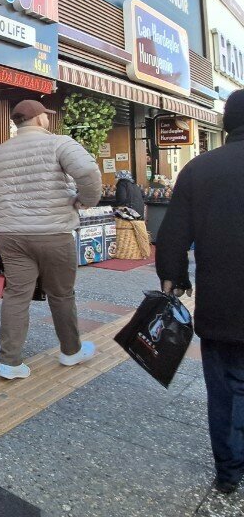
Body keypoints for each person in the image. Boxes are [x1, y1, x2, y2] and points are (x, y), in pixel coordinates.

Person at [155, 89, 244, 496]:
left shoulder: (200, 169)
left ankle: (229, 470)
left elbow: (173, 234)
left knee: (225, 386)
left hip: (224, 301)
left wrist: (171, 278)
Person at [0, 99, 102, 380]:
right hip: (54, 232)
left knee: (16, 295)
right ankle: (70, 351)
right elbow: (87, 172)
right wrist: (86, 200)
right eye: (45, 116)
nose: (48, 120)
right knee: (61, 294)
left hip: (12, 235)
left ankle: (10, 362)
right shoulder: (59, 143)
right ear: (38, 119)